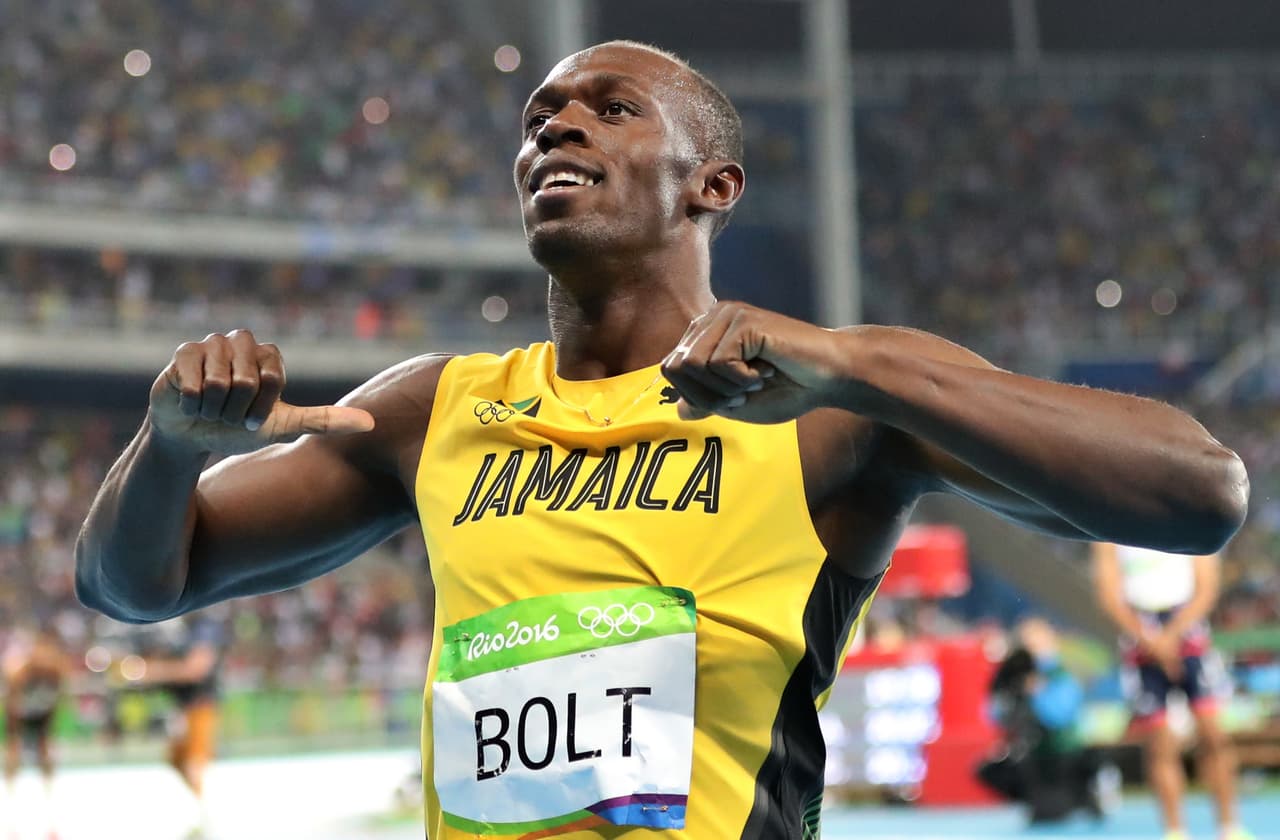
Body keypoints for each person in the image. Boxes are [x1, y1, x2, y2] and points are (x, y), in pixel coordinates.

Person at [74, 40, 1249, 839]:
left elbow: (1198, 493)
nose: (555, 126)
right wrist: (169, 447)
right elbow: (131, 585)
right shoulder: (433, 409)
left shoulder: (825, 403)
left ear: (712, 185)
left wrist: (859, 364)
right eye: (539, 118)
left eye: (608, 108)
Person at [1093, 543, 1251, 840]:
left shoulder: (1193, 520)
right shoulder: (1111, 531)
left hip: (1188, 631)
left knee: (1213, 736)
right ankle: (1175, 831)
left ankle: (1229, 827)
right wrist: (1151, 639)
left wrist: (1171, 636)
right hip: (1141, 638)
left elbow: (1206, 589)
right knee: (1160, 744)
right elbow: (1110, 595)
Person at [979, 617, 1101, 824]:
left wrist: (1037, 692)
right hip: (1030, 754)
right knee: (990, 771)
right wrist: (1006, 690)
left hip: (1061, 755)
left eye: (1037, 645)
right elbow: (994, 717)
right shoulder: (1015, 675)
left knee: (1052, 814)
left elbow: (1058, 718)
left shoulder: (1060, 675)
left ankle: (1080, 796)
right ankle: (1038, 798)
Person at [124, 615, 224, 836]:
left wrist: (151, 671)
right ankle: (200, 814)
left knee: (195, 763)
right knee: (178, 760)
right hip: (180, 707)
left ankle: (206, 819)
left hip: (200, 704)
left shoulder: (202, 625)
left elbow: (195, 668)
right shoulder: (171, 625)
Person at [3, 628, 71, 836]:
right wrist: (15, 738)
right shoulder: (20, 674)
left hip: (41, 716)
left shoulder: (57, 673)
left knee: (46, 759)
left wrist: (48, 735)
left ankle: (50, 812)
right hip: (20, 716)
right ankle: (10, 811)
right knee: (13, 757)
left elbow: (55, 703)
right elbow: (11, 707)